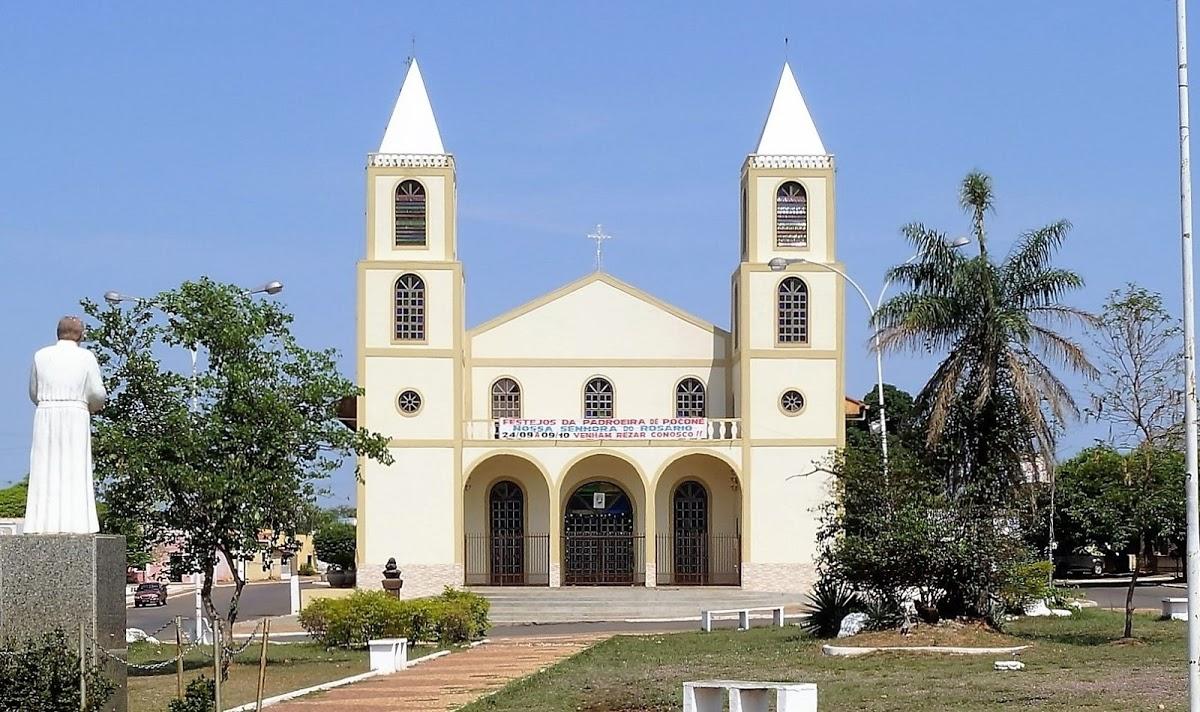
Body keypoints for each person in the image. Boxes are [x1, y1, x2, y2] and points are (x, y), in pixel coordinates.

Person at [25, 316, 105, 534]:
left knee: (46, 466)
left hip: (45, 416)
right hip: (75, 416)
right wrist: (92, 405)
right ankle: (78, 524)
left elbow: (33, 392)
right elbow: (97, 393)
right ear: (80, 334)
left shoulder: (40, 356)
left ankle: (40, 524)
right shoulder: (86, 357)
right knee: (74, 468)